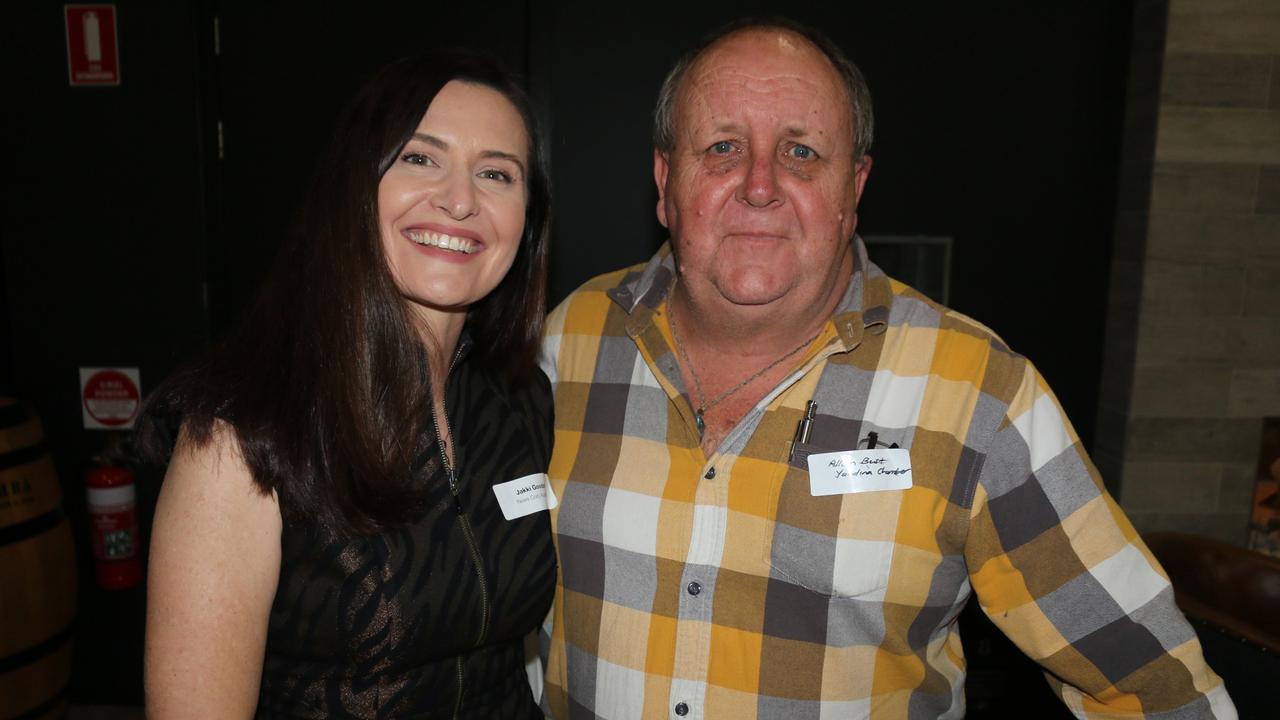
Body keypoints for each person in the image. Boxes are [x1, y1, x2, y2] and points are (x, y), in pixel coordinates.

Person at [539, 18, 1236, 719]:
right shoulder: (566, 343)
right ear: (665, 181)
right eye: (722, 148)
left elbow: (1156, 687)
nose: (759, 186)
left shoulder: (980, 395)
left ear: (854, 187)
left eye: (802, 152)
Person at [141, 51, 556, 718]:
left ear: (527, 216)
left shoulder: (522, 401)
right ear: (354, 187)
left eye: (496, 173)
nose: (459, 199)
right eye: (420, 158)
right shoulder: (246, 432)